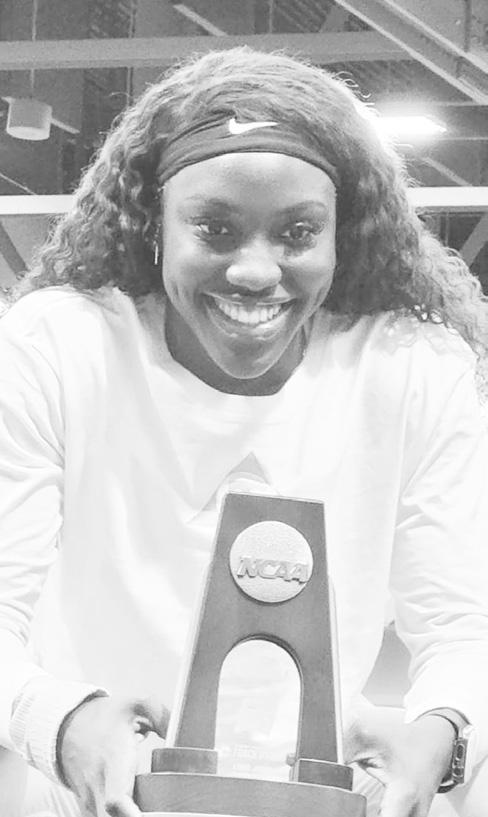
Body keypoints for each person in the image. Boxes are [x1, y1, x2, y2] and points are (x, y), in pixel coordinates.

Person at [0, 45, 488, 817]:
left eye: (297, 232)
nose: (256, 271)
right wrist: (60, 724)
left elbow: (464, 625)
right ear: (154, 225)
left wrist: (443, 731)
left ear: (341, 235)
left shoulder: (413, 366)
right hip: (89, 794)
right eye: (216, 228)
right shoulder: (59, 346)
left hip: (320, 796)